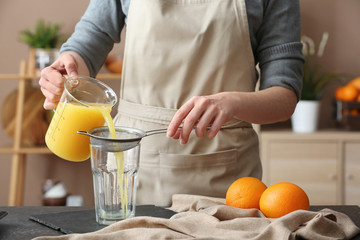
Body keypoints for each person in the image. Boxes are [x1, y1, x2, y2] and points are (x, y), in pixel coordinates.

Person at [39, 0, 304, 206]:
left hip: (228, 179)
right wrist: (69, 66)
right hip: (136, 165)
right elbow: (91, 38)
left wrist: (232, 102)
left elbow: (284, 97)